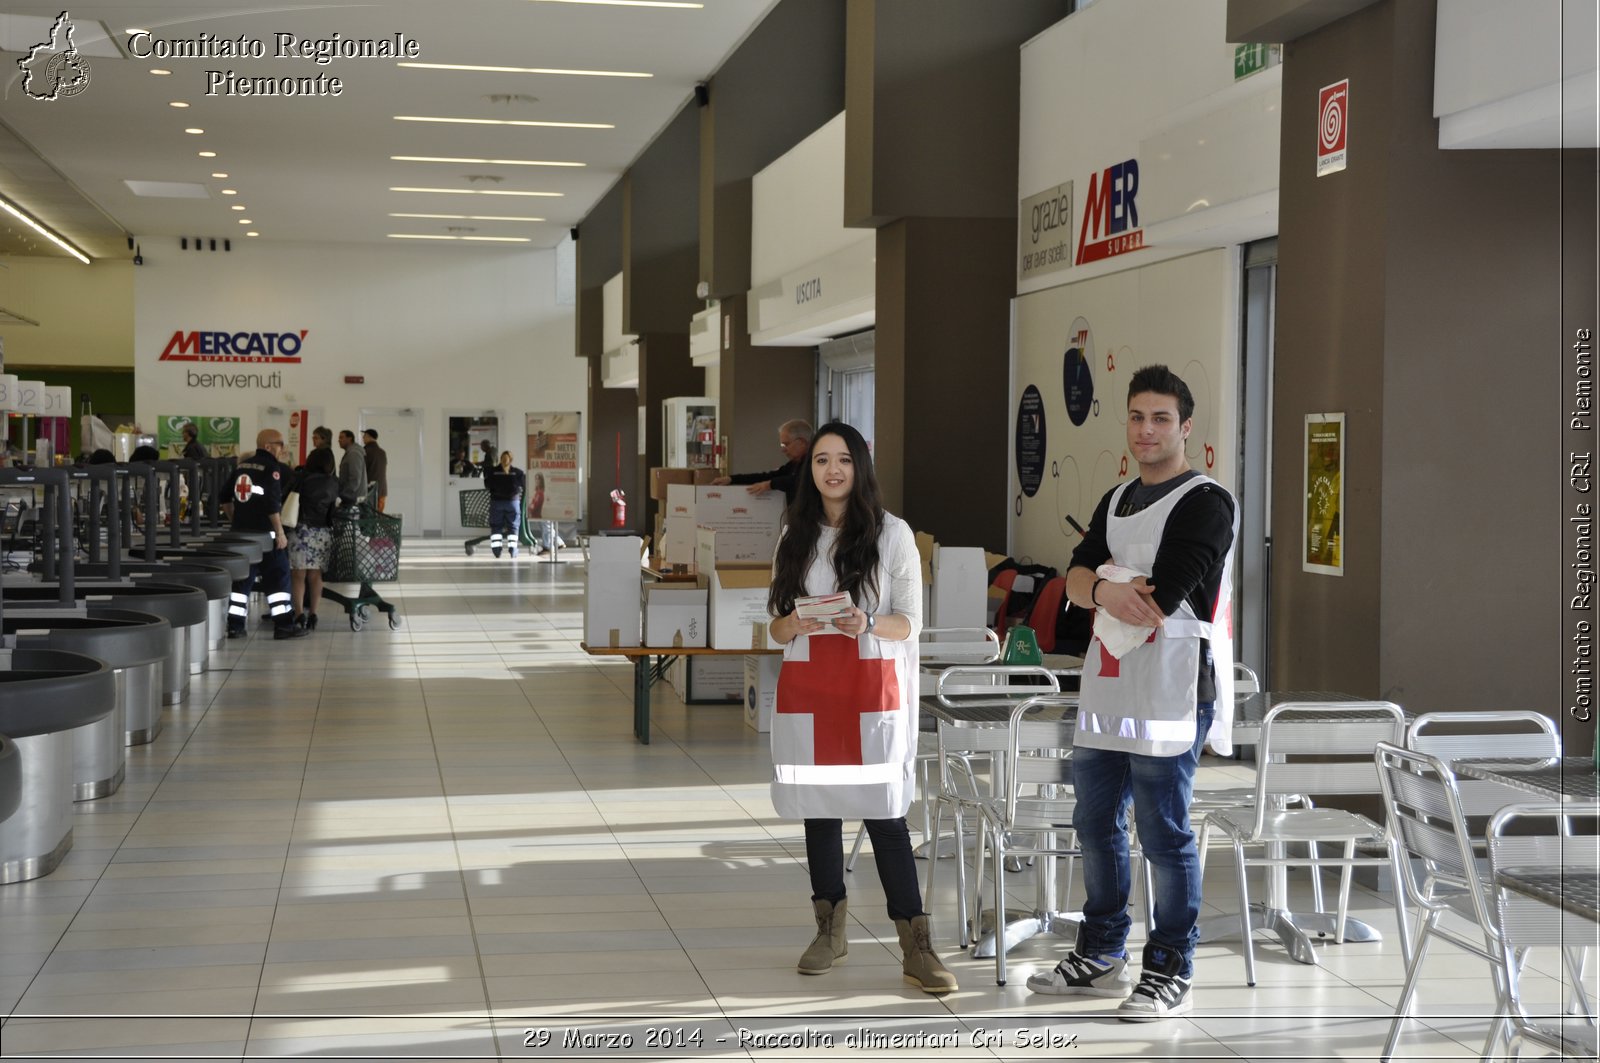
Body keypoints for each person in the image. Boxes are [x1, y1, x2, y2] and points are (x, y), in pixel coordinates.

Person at [1026, 365, 1236, 1021]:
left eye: (1161, 418)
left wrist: (1102, 586)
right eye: (1137, 417)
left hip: (1172, 685)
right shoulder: (1115, 499)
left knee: (1163, 830)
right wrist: (1105, 586)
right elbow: (1075, 573)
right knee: (1093, 822)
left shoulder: (1206, 500)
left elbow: (1162, 594)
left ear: (1186, 427)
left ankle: (1170, 964)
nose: (1147, 430)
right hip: (1107, 685)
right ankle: (1101, 947)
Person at [765, 420, 958, 995]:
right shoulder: (793, 534)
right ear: (810, 469)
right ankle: (829, 931)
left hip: (871, 691)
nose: (832, 470)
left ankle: (916, 944)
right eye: (821, 459)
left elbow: (911, 622)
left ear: (860, 465)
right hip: (812, 692)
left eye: (843, 459)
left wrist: (867, 622)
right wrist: (793, 622)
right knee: (818, 809)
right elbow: (774, 628)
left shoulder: (892, 533)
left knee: (884, 812)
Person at [224, 429, 308, 641]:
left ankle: (235, 627)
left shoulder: (241, 466)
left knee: (242, 582)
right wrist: (279, 532)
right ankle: (284, 626)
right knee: (278, 579)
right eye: (280, 444)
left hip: (242, 536)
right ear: (269, 446)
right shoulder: (272, 468)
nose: (283, 448)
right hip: (265, 536)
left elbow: (223, 497)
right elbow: (272, 504)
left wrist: (236, 520)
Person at [288, 446, 339, 631]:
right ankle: (314, 614)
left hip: (300, 530)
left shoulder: (302, 478)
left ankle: (299, 613)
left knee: (297, 575)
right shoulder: (333, 482)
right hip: (322, 532)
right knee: (316, 575)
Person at [713, 418, 811, 504]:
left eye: (786, 444)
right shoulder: (794, 464)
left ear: (801, 442)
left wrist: (770, 484)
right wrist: (732, 479)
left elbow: (800, 481)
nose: (783, 450)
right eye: (782, 446)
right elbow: (768, 476)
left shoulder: (815, 463)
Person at [484, 449, 526, 559]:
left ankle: (497, 551)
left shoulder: (493, 472)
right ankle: (513, 551)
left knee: (496, 527)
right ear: (511, 460)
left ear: (500, 459)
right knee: (513, 527)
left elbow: (487, 485)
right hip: (513, 503)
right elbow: (524, 485)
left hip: (497, 502)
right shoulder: (518, 472)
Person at [337, 430, 367, 507]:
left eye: (341, 437)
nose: (339, 440)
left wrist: (344, 494)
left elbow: (355, 478)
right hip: (352, 498)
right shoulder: (351, 452)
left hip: (353, 499)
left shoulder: (354, 453)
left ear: (349, 439)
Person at [363, 429, 389, 512]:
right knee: (378, 516)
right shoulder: (382, 452)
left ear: (368, 437)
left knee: (368, 518)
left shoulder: (365, 451)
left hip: (369, 490)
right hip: (382, 489)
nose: (363, 438)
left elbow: (362, 470)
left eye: (364, 436)